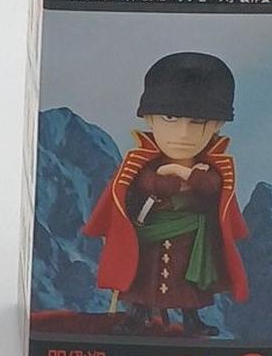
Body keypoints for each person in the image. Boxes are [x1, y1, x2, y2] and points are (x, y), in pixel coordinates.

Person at [82, 52, 249, 336]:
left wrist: (185, 174)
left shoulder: (215, 168)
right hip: (148, 236)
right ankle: (137, 318)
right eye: (170, 118)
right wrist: (168, 180)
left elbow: (211, 187)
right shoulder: (138, 163)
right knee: (142, 279)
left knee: (187, 283)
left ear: (217, 125)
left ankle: (192, 320)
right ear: (150, 119)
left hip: (191, 240)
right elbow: (142, 183)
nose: (183, 133)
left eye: (198, 121)